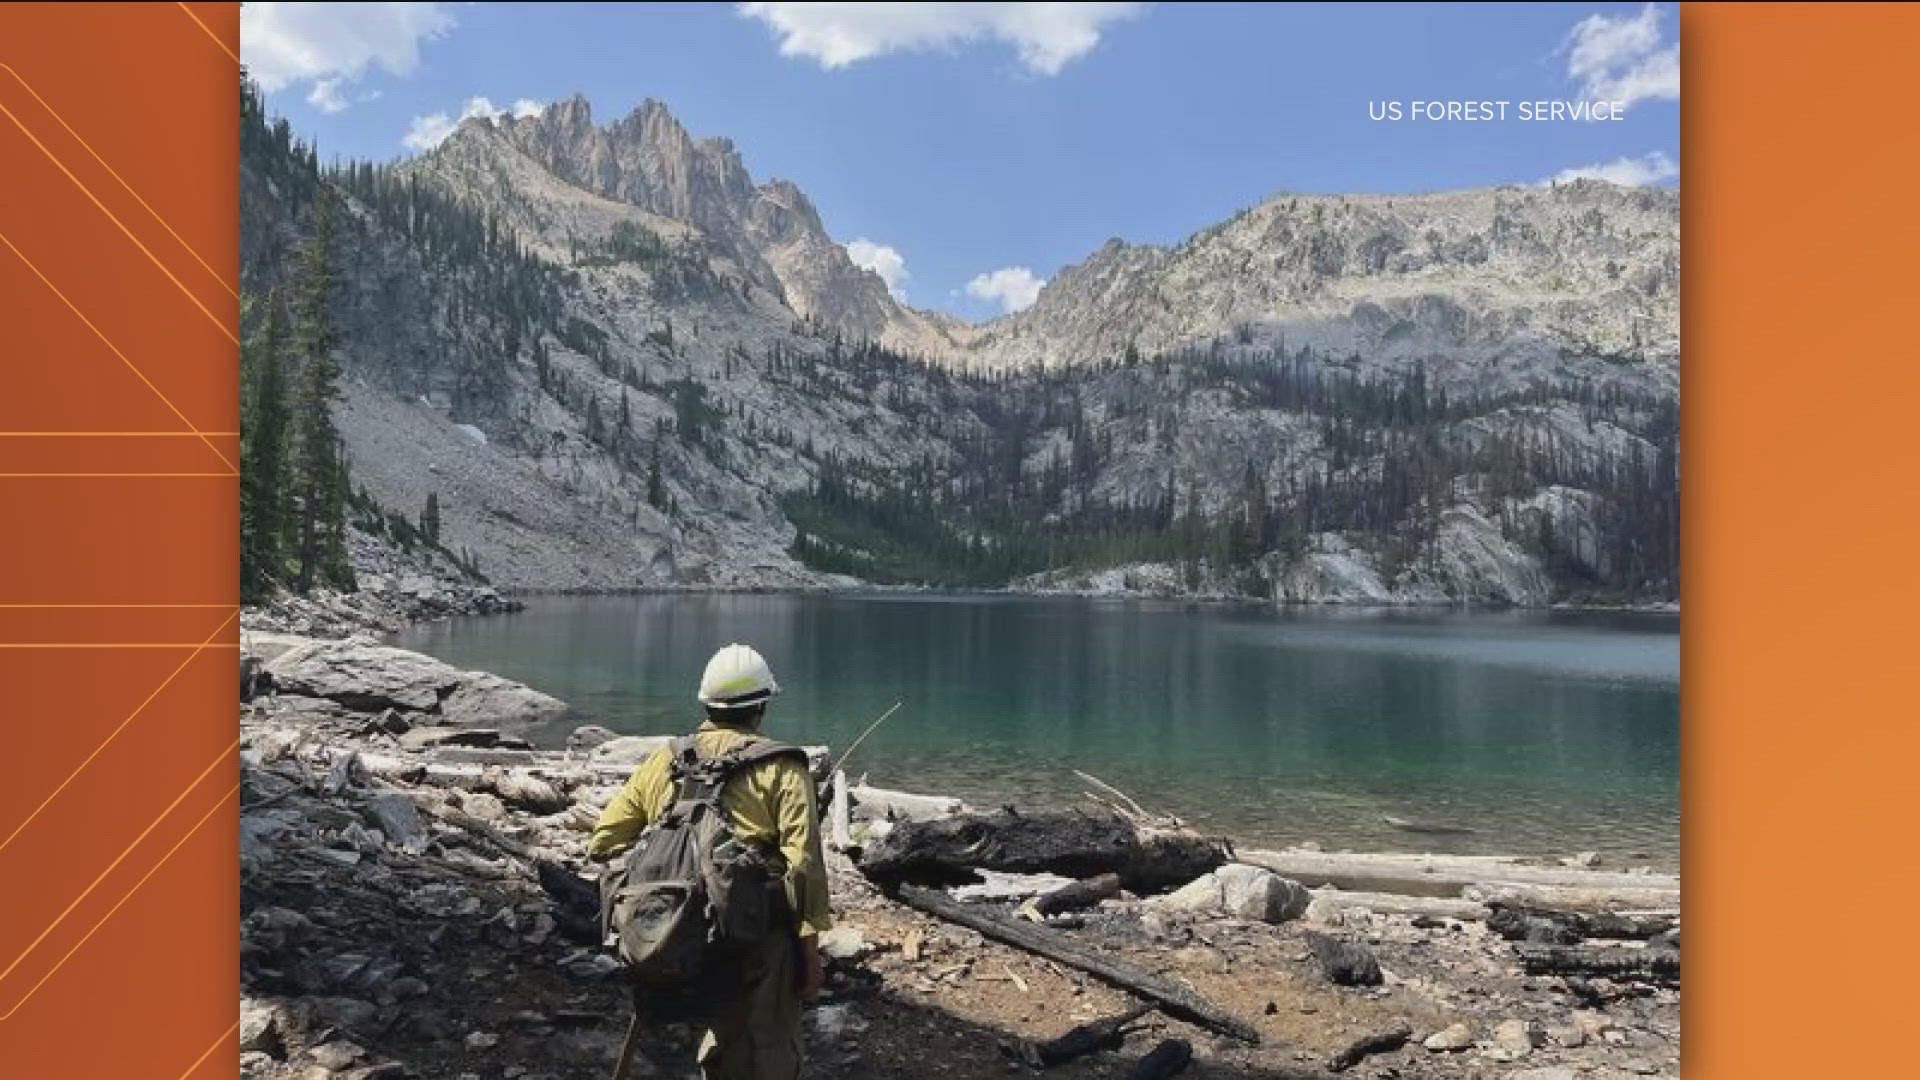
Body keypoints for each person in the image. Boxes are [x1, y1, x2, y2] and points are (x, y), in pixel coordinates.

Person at [588, 642, 830, 1080]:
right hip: (755, 937)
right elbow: (804, 871)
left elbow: (603, 840)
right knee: (764, 1051)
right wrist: (811, 960)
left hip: (674, 932)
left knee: (722, 1035)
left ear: (705, 703)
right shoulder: (783, 769)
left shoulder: (666, 760)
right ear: (762, 706)